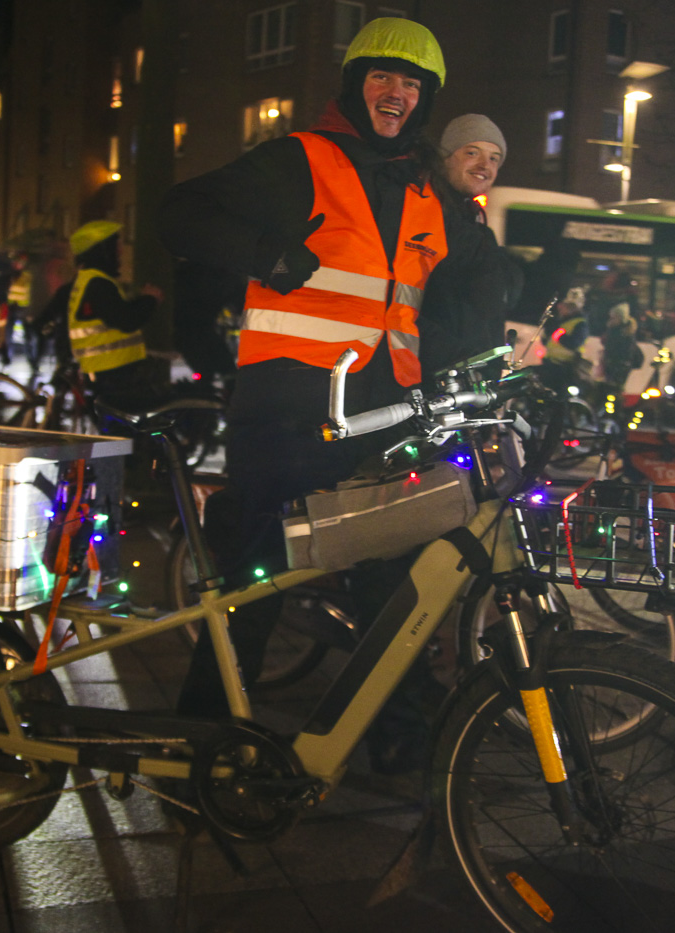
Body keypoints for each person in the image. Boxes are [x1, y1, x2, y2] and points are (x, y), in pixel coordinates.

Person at [158, 18, 514, 769]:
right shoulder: (301, 162)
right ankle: (203, 738)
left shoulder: (424, 187)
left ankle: (396, 735)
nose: (398, 93)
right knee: (257, 585)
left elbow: (473, 280)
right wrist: (266, 253)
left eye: (413, 85)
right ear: (356, 86)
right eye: (384, 78)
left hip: (381, 414)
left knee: (397, 582)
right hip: (288, 411)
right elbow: (180, 214)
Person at [420, 112, 519, 373]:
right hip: (435, 377)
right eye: (472, 153)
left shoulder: (478, 230)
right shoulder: (425, 216)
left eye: (494, 158)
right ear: (445, 158)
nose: (484, 165)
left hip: (470, 381)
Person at [38, 220, 165, 410]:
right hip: (114, 376)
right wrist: (150, 299)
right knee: (128, 433)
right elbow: (126, 320)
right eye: (116, 245)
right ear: (103, 249)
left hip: (103, 373)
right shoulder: (98, 284)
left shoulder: (88, 280)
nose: (121, 251)